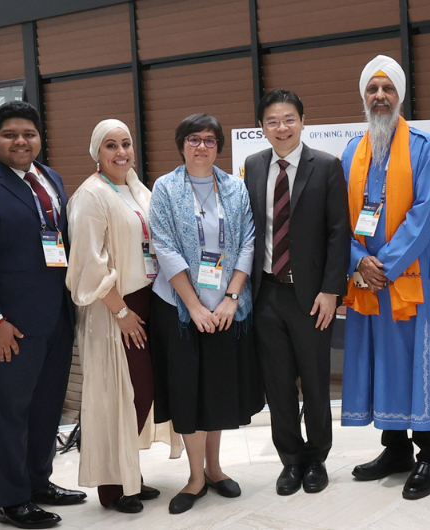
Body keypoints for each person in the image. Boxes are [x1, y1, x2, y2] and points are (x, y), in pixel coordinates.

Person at [0, 100, 85, 529]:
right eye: (10, 134)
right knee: (6, 414)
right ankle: (9, 500)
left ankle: (38, 482)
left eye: (28, 133)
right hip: (7, 326)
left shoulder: (51, 179)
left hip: (55, 319)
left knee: (46, 409)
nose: (20, 141)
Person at [341, 55, 430, 501]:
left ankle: (429, 454)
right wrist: (357, 260)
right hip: (366, 281)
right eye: (372, 90)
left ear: (400, 95)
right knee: (381, 361)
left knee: (419, 360)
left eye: (387, 89)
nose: (379, 97)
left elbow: (426, 212)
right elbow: (343, 219)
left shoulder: (424, 146)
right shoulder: (353, 150)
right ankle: (395, 450)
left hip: (408, 276)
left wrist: (382, 265)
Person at [147, 113, 264, 515]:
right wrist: (194, 306)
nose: (201, 146)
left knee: (216, 391)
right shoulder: (164, 187)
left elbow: (248, 242)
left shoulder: (234, 187)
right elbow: (164, 247)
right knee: (187, 393)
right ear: (181, 145)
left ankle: (215, 468)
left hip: (227, 309)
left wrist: (231, 297)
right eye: (193, 139)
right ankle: (195, 476)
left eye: (210, 140)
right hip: (179, 310)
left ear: (218, 147)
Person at [64, 119, 182, 515]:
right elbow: (88, 263)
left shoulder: (136, 189)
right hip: (113, 309)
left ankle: (129, 474)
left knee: (140, 395)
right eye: (111, 145)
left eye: (126, 144)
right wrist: (121, 310)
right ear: (97, 153)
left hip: (146, 303)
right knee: (120, 394)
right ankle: (113, 488)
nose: (121, 152)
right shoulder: (91, 196)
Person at [244, 90, 350, 496]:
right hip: (267, 293)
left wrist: (330, 291)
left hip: (311, 297)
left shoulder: (325, 166)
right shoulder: (253, 166)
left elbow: (339, 233)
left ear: (303, 121)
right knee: (278, 383)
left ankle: (316, 459)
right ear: (262, 128)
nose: (281, 128)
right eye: (272, 121)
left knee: (316, 379)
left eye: (289, 119)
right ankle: (290, 460)